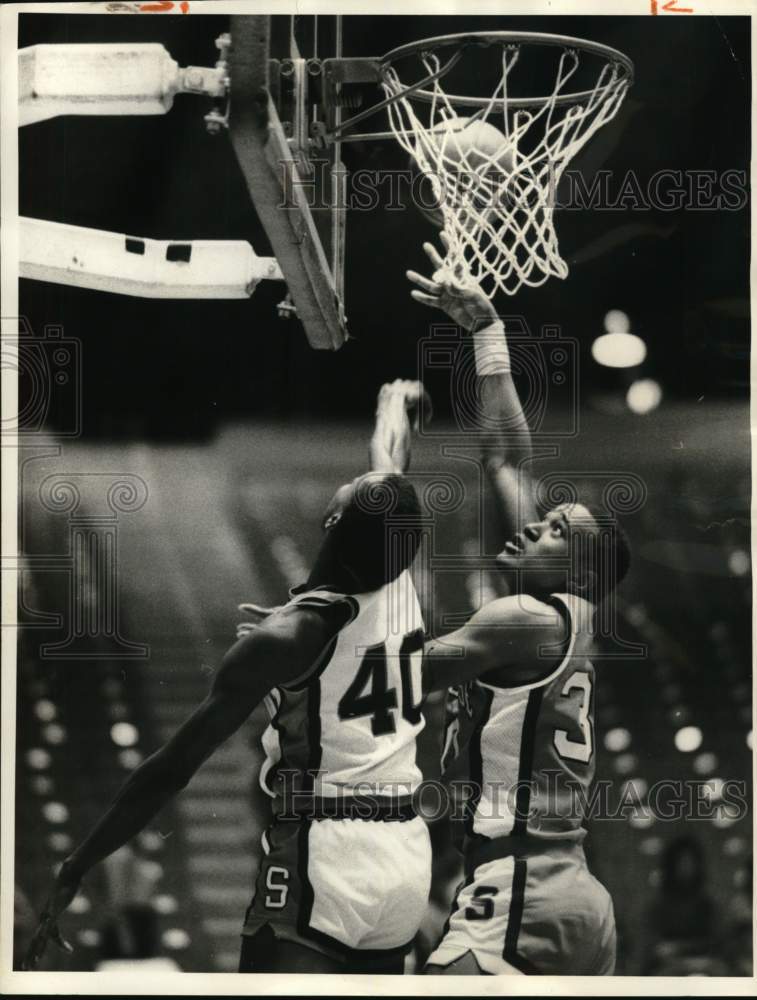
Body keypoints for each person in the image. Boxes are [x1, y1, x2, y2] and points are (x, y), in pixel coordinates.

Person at [24, 380, 432, 975]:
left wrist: (78, 865)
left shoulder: (285, 639)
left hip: (328, 853)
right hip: (404, 859)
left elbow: (171, 768)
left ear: (332, 517)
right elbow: (388, 467)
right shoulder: (397, 580)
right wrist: (393, 406)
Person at [406, 238, 631, 975]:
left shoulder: (527, 622)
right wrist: (486, 332)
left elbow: (390, 674)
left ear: (580, 568)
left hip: (521, 886)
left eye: (555, 529)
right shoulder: (557, 620)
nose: (534, 523)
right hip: (565, 892)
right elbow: (504, 459)